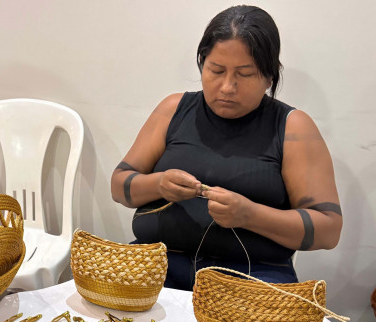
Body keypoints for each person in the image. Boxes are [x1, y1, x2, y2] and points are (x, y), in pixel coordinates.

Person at [110, 5, 342, 290]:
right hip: (156, 264)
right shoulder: (173, 109)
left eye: (245, 74)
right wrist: (158, 185)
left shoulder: (293, 127)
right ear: (202, 64)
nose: (227, 87)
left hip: (252, 276)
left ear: (269, 76)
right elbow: (118, 185)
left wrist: (250, 215)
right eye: (216, 70)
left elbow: (328, 230)